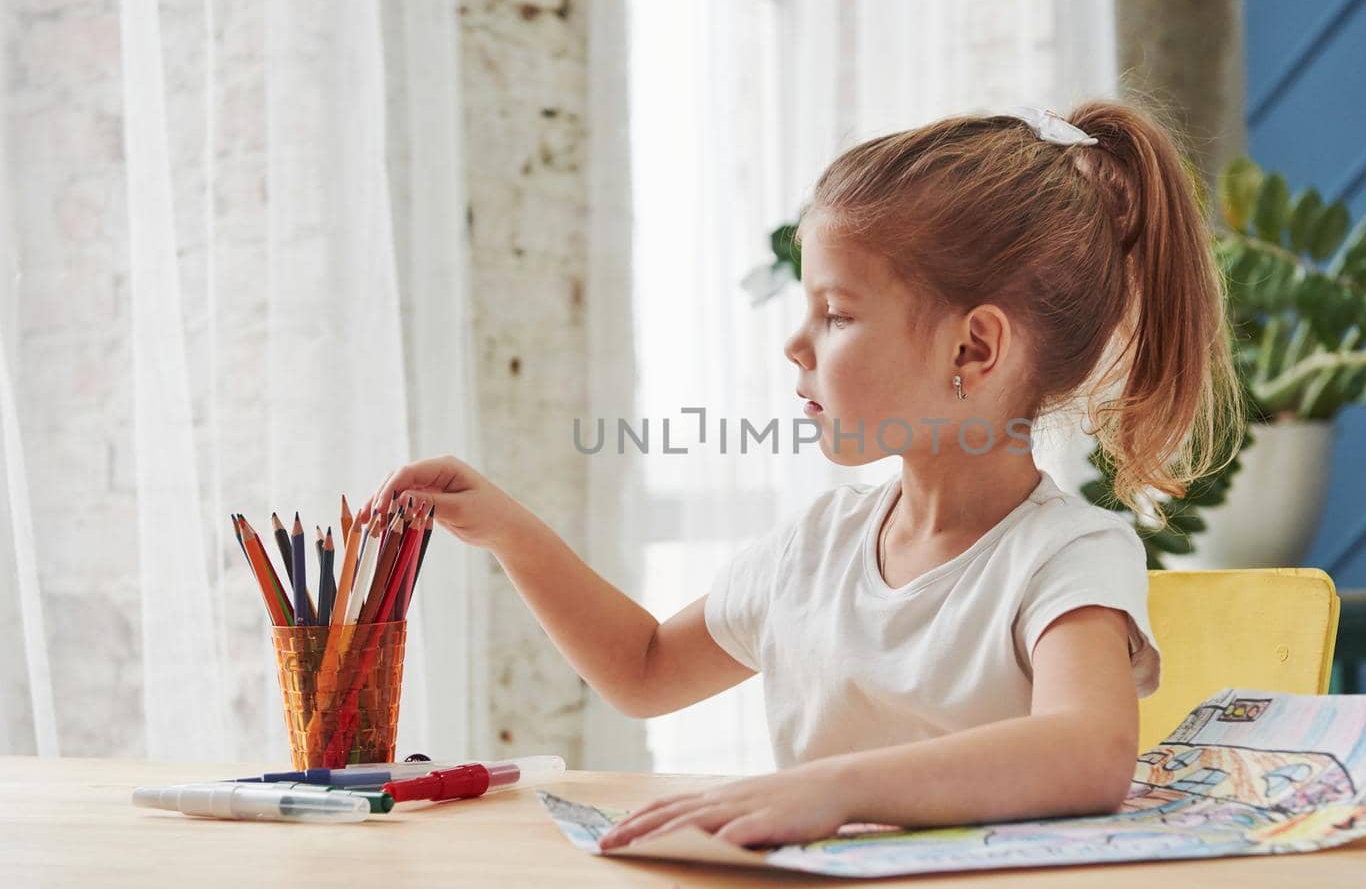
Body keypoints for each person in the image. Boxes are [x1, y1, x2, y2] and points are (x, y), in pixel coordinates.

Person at [357, 99, 1244, 850]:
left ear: (974, 347)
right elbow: (644, 669)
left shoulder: (1067, 558)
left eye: (835, 313)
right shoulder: (819, 548)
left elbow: (1085, 752)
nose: (795, 343)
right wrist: (511, 530)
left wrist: (837, 790)